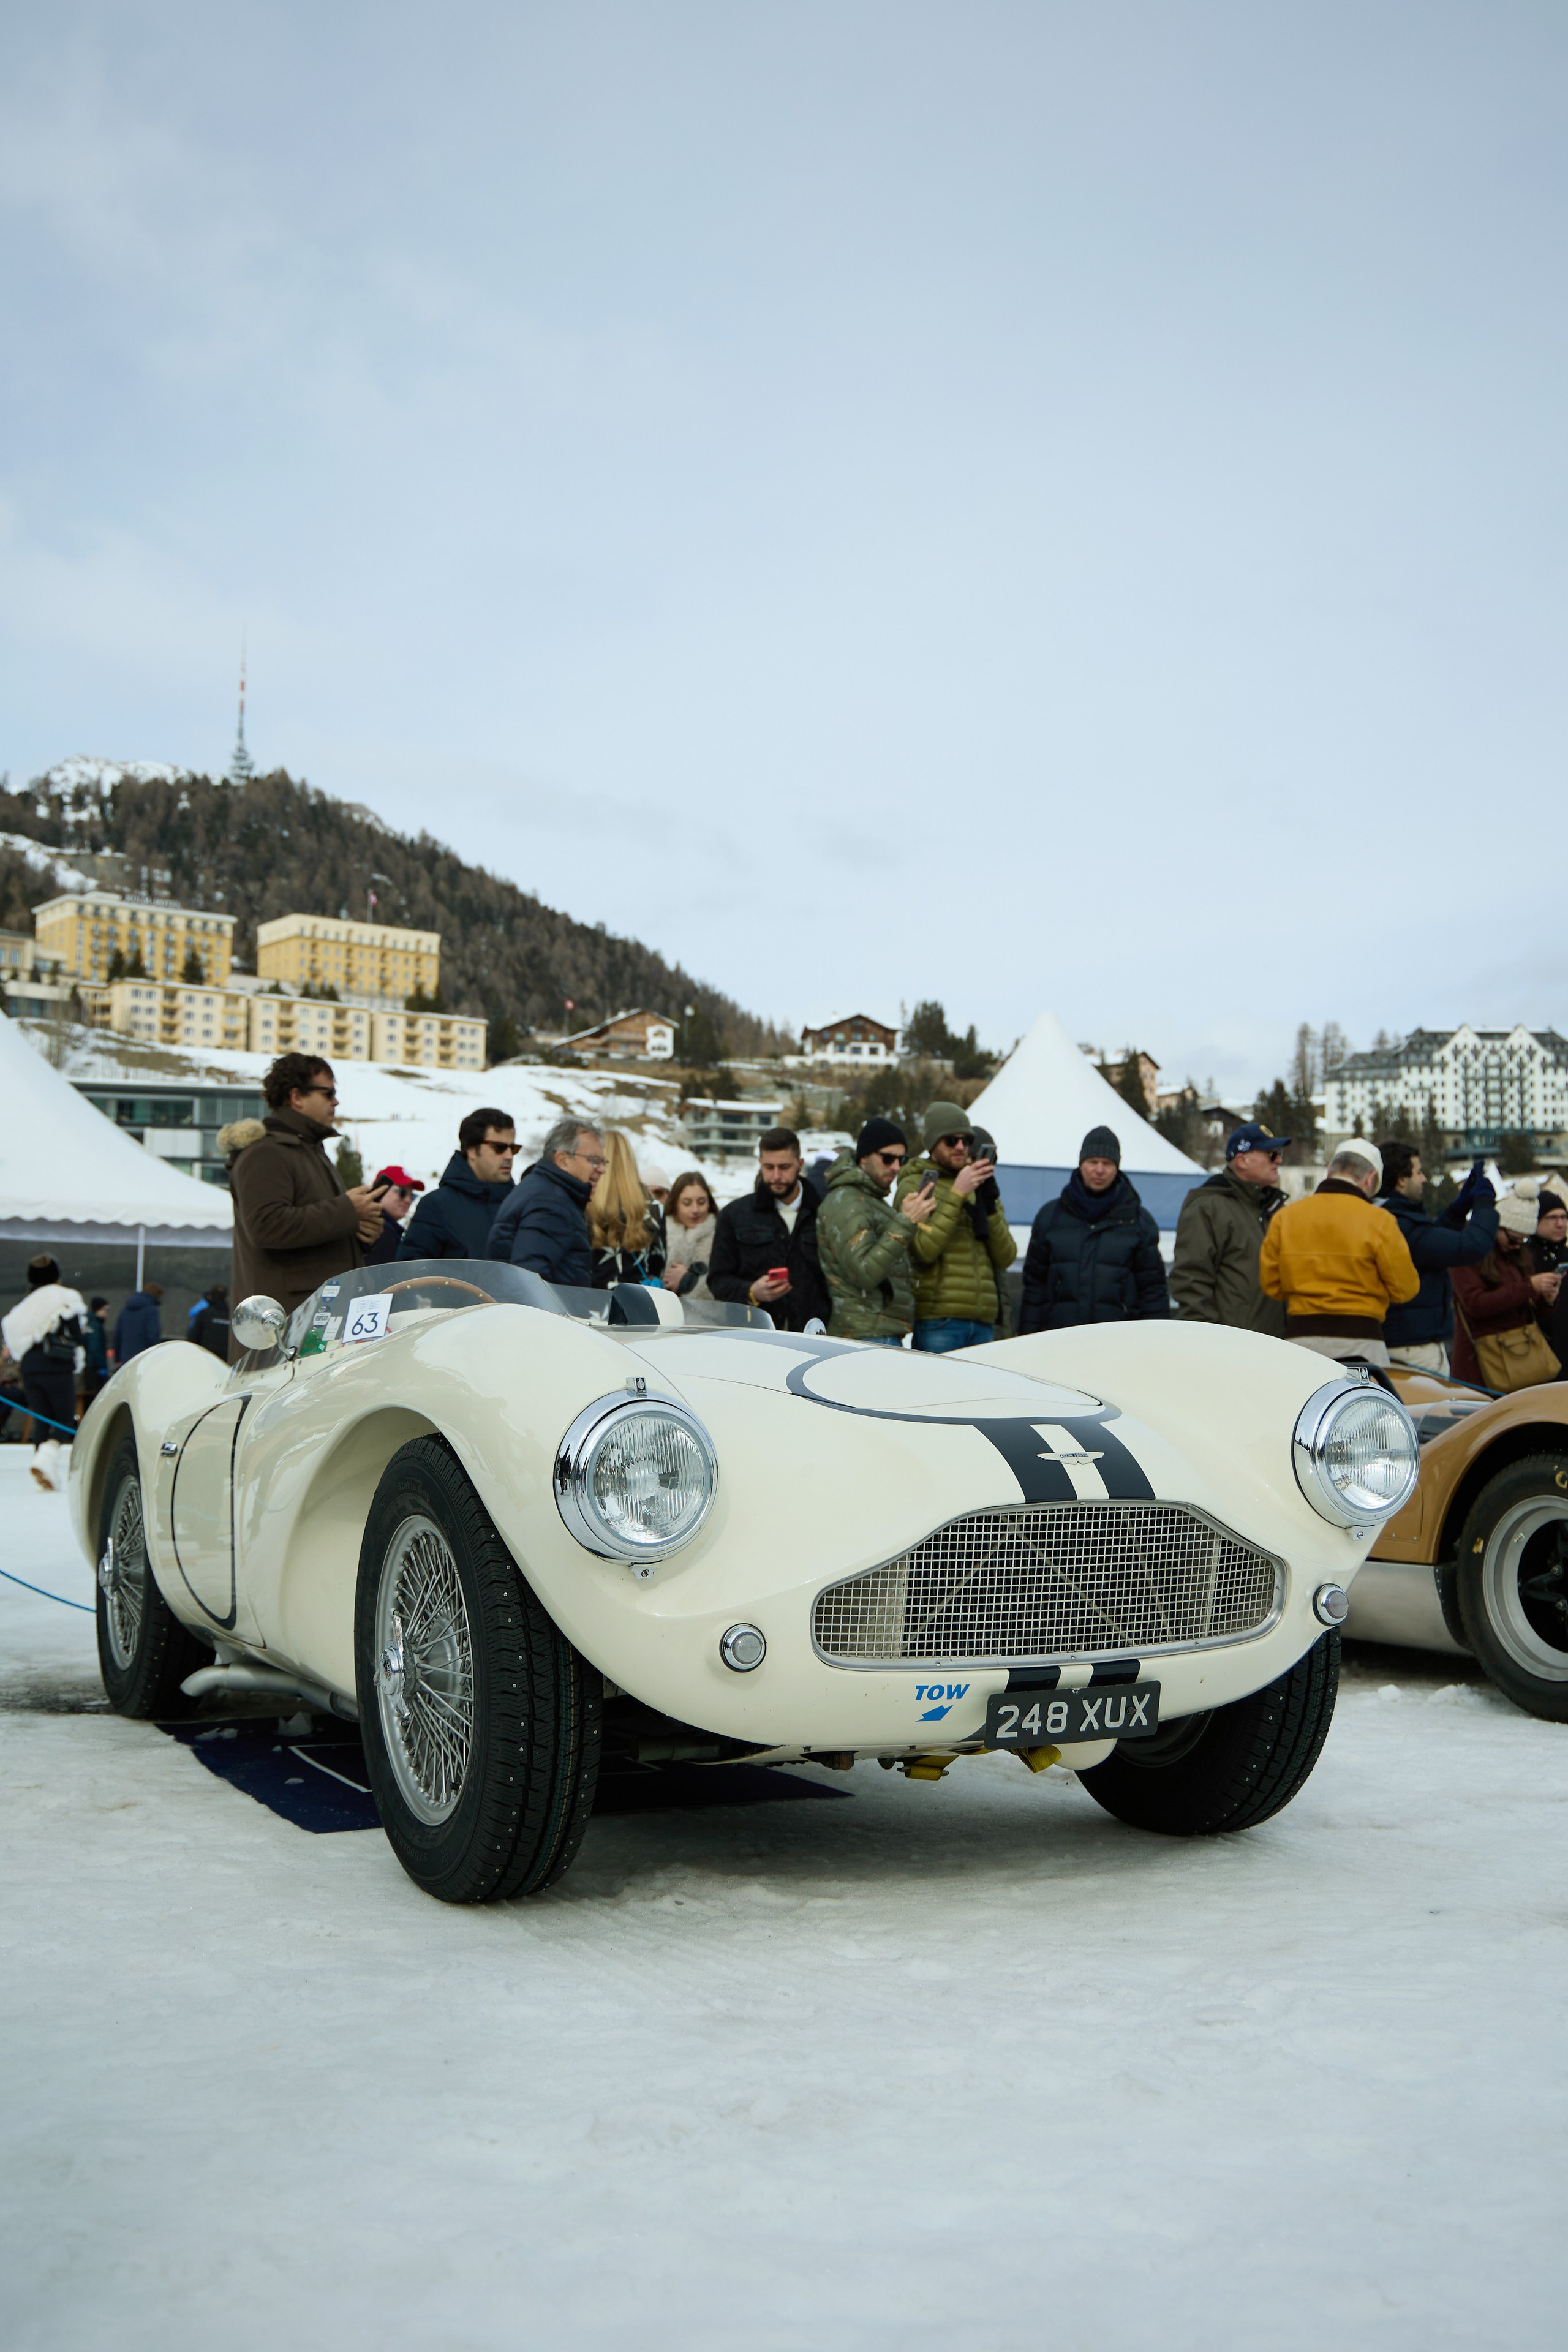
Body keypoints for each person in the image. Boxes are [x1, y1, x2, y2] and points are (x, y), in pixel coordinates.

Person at [229, 1055, 383, 1330]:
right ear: (297, 1097)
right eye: (329, 1093)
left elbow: (314, 1232)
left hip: (316, 1318)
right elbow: (266, 1226)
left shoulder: (309, 1151)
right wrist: (348, 1210)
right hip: (287, 1327)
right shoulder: (267, 1152)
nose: (335, 1102)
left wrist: (359, 1233)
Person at [1258, 1139, 1420, 1367]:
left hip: (1300, 1342)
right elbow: (1405, 1289)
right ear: (1370, 1178)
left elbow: (1271, 1285)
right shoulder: (1380, 1221)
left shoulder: (1286, 1218)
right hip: (1362, 1342)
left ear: (1329, 1171)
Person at [1019, 1125, 1170, 1332]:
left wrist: (1157, 1340)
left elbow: (1153, 1291)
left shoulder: (1139, 1222)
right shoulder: (1050, 1218)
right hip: (1058, 1339)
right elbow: (1034, 1288)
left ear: (1117, 1167)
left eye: (1107, 1163)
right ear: (1081, 1164)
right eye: (1093, 1162)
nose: (1099, 1170)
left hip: (1119, 1340)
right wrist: (1027, 1337)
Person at [894, 1102, 1017, 1354]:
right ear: (932, 1144)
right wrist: (958, 1193)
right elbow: (924, 1251)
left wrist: (989, 1206)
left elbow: (1006, 1257)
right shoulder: (916, 1184)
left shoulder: (978, 1185)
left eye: (966, 1140)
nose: (960, 1147)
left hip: (984, 1321)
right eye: (951, 1140)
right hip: (940, 1321)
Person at [1376, 1145, 1498, 1375]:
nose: (1423, 1179)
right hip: (1413, 1348)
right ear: (1402, 1180)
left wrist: (1458, 1210)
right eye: (1418, 1172)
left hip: (1404, 1342)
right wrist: (1484, 1204)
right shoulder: (1402, 1226)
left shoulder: (1390, 1219)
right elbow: (1472, 1247)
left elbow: (1430, 1244)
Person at [817, 1117, 935, 1343]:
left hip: (876, 1330)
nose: (896, 1167)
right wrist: (906, 1221)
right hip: (865, 1334)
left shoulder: (868, 1199)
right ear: (864, 1157)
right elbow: (864, 1272)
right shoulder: (848, 1201)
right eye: (888, 1158)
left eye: (902, 1159)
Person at [1170, 1121, 1291, 1334]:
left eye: (1279, 1154)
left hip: (1276, 1348)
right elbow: (1191, 1282)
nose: (1279, 1161)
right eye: (1271, 1154)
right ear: (1242, 1161)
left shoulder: (1272, 1208)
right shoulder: (1207, 1207)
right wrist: (1211, 1341)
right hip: (1233, 1350)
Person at [710, 1126, 831, 1332]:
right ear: (760, 1164)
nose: (776, 1176)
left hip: (813, 1341)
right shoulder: (734, 1216)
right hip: (754, 1340)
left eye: (784, 1167)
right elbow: (717, 1280)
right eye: (769, 1167)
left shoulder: (825, 1215)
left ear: (800, 1164)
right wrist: (751, 1291)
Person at [1450, 1193, 1562, 1388]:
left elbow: (1532, 1314)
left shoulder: (1519, 1256)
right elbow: (1476, 1305)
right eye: (1513, 1239)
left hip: (1522, 1360)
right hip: (1481, 1364)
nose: (1517, 1246)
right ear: (1496, 1228)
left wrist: (1547, 1299)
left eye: (1524, 1241)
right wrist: (1529, 1286)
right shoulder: (1467, 1254)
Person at [2, 1255, 88, 1491]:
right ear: (56, 1275)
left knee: (42, 1419)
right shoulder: (65, 1297)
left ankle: (45, 1469)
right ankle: (46, 1458)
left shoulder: (23, 1306)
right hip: (57, 1365)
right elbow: (76, 1334)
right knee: (64, 1416)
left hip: (29, 1368)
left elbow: (10, 1332)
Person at [487, 1118, 604, 1285]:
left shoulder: (541, 1189)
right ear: (563, 1160)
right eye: (594, 1160)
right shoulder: (551, 1203)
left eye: (603, 1162)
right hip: (547, 1311)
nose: (601, 1169)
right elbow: (530, 1282)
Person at [399, 1112, 516, 1261]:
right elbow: (412, 1274)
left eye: (513, 1148)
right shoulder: (437, 1206)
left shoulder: (521, 1203)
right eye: (499, 1148)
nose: (509, 1156)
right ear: (473, 1150)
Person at [588, 1133, 668, 1287]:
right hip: (634, 1305)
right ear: (630, 1162)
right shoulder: (654, 1210)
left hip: (586, 1302)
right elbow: (658, 1268)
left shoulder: (585, 1205)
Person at [662, 1171, 719, 1302]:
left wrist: (689, 1282)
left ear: (709, 1203)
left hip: (707, 1321)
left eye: (701, 1202)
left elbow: (725, 1289)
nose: (695, 1210)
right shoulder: (660, 1236)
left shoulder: (721, 1238)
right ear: (675, 1204)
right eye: (687, 1203)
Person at [364, 1167, 424, 1265]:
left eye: (412, 1196)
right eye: (402, 1193)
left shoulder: (389, 1230)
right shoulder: (380, 1231)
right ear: (381, 1190)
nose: (408, 1200)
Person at [112, 1281, 164, 1365]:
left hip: (126, 1359)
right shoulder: (152, 1311)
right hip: (144, 1358)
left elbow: (117, 1335)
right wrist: (157, 1355)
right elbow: (153, 1335)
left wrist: (117, 1358)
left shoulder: (125, 1310)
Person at [189, 1284, 232, 1360]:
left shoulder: (205, 1313)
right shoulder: (231, 1316)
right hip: (226, 1361)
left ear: (211, 1296)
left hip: (206, 1358)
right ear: (226, 1298)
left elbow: (193, 1336)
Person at [80, 1295, 110, 1404]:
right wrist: (102, 1366)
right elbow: (95, 1348)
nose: (107, 1313)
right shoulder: (95, 1325)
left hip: (90, 1366)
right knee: (95, 1398)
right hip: (94, 1368)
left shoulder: (90, 1324)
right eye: (106, 1310)